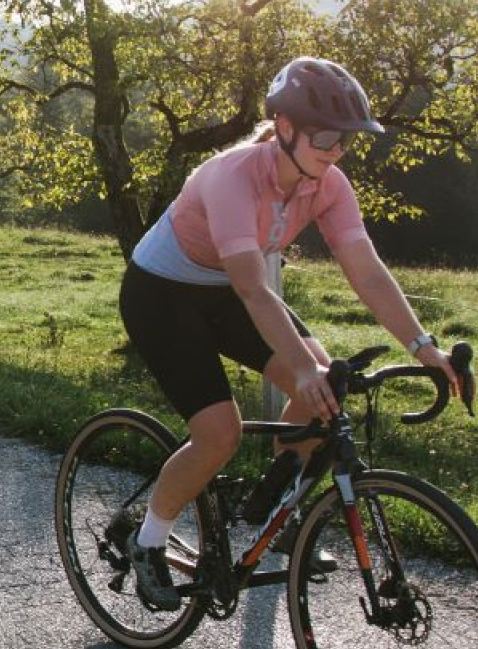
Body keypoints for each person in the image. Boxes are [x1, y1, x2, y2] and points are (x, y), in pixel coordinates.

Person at [112, 57, 458, 610]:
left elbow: (365, 269)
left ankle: (279, 513)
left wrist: (423, 346)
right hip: (163, 294)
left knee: (324, 391)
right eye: (325, 135)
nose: (336, 149)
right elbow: (254, 289)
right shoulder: (232, 176)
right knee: (219, 433)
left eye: (346, 139)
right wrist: (299, 369)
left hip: (228, 292)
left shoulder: (329, 184)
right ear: (286, 127)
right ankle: (146, 538)